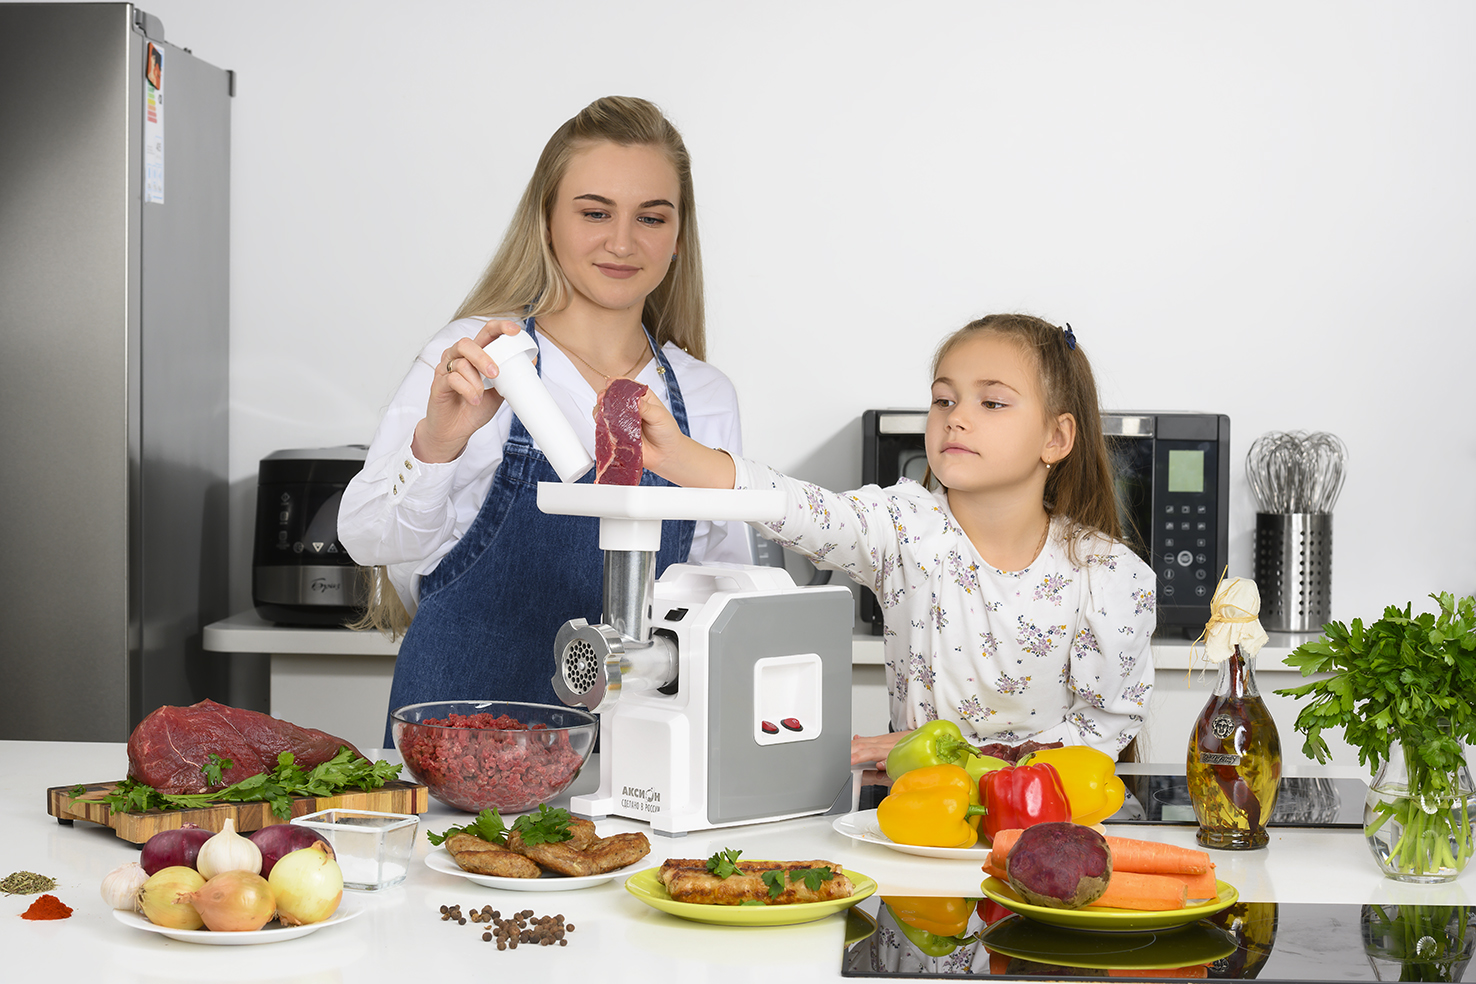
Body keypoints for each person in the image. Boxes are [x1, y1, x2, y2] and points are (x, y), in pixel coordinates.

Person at [337, 96, 750, 745]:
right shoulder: (480, 358)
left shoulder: (705, 396)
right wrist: (439, 441)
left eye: (650, 217)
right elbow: (371, 542)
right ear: (547, 221)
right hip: (460, 740)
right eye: (594, 212)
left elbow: (724, 604)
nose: (622, 242)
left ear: (677, 236)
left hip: (632, 752)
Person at [634, 313, 1155, 779]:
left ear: (1056, 438)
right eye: (944, 399)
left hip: (1046, 819)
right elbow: (800, 507)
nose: (956, 417)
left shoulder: (1110, 576)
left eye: (992, 402)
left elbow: (1099, 735)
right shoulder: (905, 528)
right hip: (917, 810)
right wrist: (679, 456)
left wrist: (950, 755)